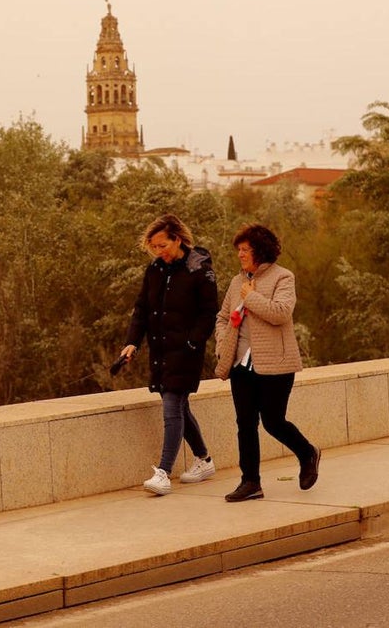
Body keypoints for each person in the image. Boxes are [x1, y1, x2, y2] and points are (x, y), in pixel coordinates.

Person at [214, 223, 320, 502]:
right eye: (238, 250)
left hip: (276, 364)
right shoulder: (237, 282)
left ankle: (307, 452)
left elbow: (281, 313)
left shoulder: (283, 277)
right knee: (245, 423)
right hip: (240, 364)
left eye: (245, 250)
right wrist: (222, 343)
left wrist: (252, 297)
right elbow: (223, 317)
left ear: (260, 251)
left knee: (273, 421)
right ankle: (250, 482)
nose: (240, 255)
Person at [119, 214, 219, 496]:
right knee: (179, 407)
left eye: (162, 245)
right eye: (154, 247)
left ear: (177, 239)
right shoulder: (154, 270)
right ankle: (204, 460)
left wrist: (193, 342)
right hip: (161, 349)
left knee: (172, 406)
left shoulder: (200, 270)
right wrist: (132, 343)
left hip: (186, 351)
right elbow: (141, 309)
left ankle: (163, 472)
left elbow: (209, 313)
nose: (158, 251)